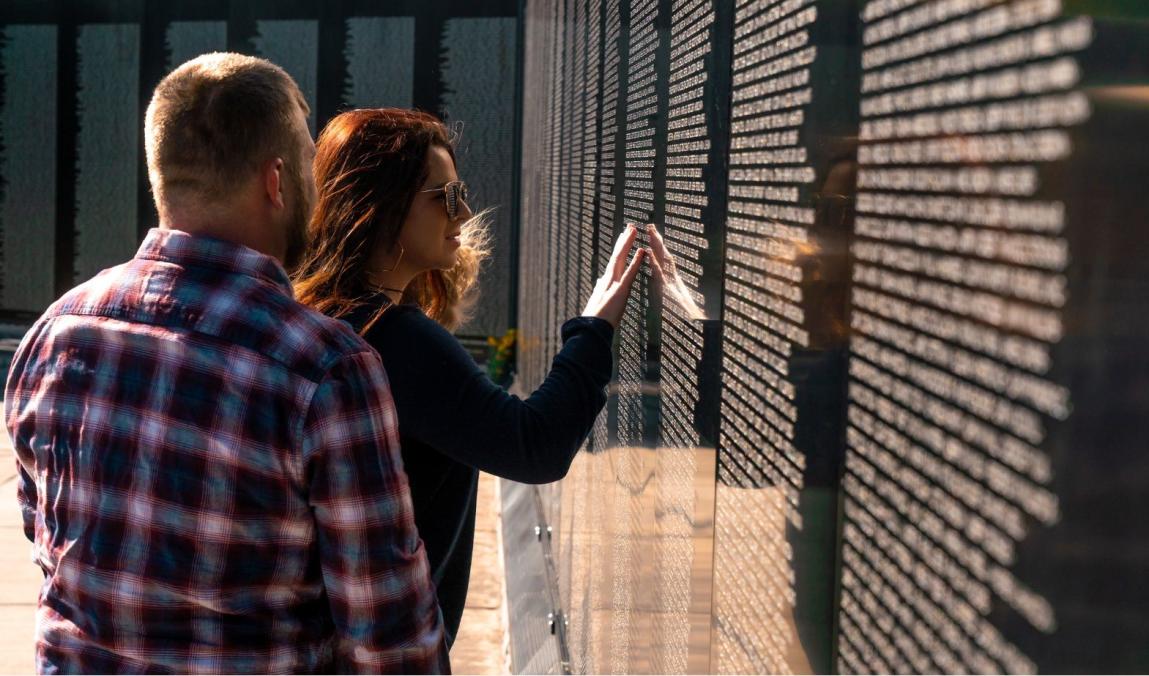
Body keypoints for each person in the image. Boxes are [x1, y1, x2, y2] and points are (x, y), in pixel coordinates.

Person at [2, 55, 447, 674]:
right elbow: (391, 637)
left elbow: (46, 538)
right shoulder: (325, 369)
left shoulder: (52, 336)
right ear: (276, 181)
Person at [293, 108, 659, 643]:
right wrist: (594, 331)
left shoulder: (315, 317)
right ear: (382, 207)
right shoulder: (396, 341)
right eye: (443, 198)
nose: (462, 214)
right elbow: (534, 444)